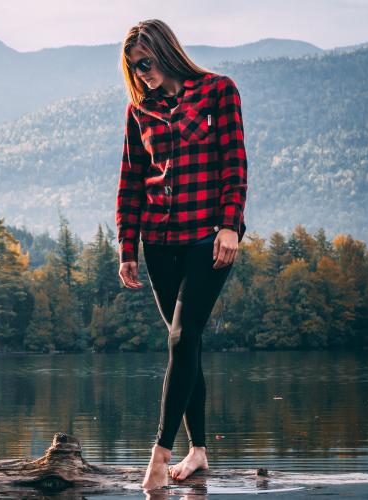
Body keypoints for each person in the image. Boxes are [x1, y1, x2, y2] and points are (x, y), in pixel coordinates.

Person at [114, 19, 248, 492]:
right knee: (184, 343)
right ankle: (199, 452)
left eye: (146, 63)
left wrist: (231, 224)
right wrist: (127, 248)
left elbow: (235, 163)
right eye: (135, 67)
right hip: (158, 241)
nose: (142, 73)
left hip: (209, 237)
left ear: (167, 52)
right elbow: (131, 182)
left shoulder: (217, 92)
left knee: (181, 338)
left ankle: (159, 456)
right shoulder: (139, 112)